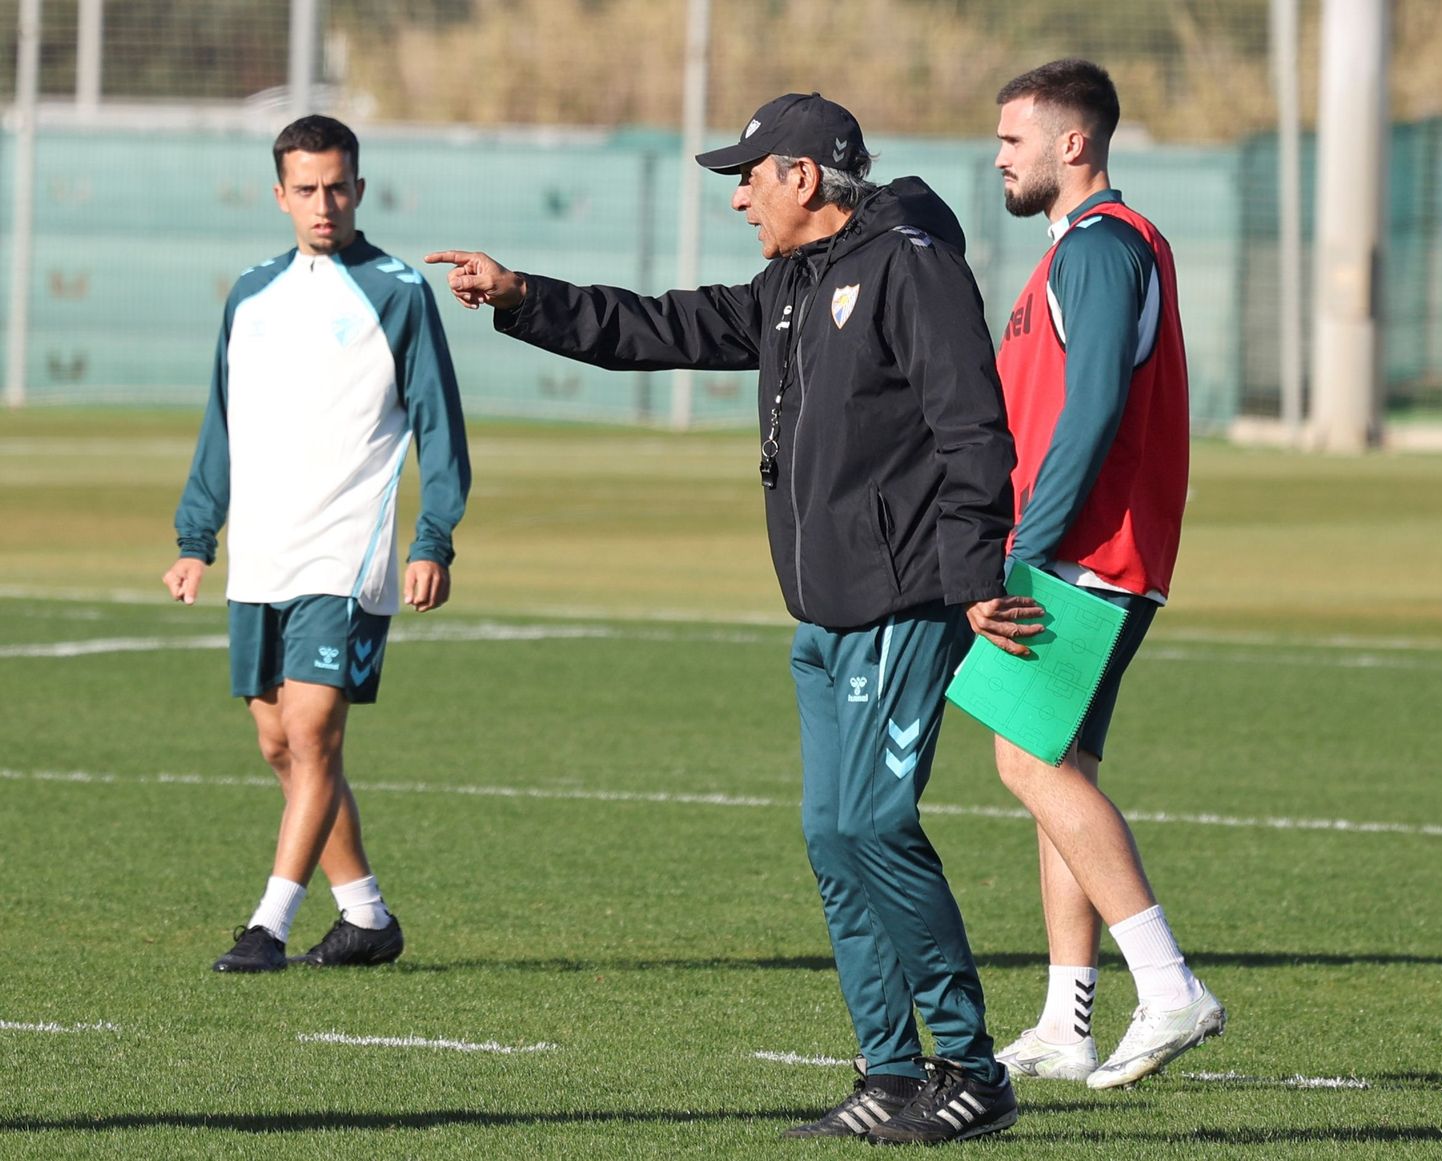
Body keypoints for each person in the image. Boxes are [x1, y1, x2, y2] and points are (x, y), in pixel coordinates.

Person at [427, 92, 1023, 1145]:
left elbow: (972, 423)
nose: (739, 195)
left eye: (748, 175)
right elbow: (666, 326)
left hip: (905, 599)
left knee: (875, 825)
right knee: (832, 839)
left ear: (803, 177)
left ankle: (971, 1070)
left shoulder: (909, 265)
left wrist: (974, 572)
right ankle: (889, 1074)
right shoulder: (793, 280)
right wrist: (525, 296)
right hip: (825, 608)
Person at [968, 59, 1226, 1089]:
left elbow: (1091, 413)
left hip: (1083, 555)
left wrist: (1026, 547)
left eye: (1013, 139)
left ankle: (1168, 987)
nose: (999, 156)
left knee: (1026, 766)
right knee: (1050, 764)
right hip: (1079, 549)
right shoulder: (1073, 251)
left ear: (1072, 144)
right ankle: (1066, 1022)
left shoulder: (1105, 247)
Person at [164, 114, 471, 974]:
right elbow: (219, 427)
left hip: (349, 549)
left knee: (313, 734)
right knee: (280, 746)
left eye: (338, 186)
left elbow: (441, 429)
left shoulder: (399, 290)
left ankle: (268, 924)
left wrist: (432, 540)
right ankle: (365, 916)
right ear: (280, 196)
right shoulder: (250, 293)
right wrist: (197, 536)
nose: (324, 203)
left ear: (360, 189)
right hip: (262, 551)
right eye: (306, 189)